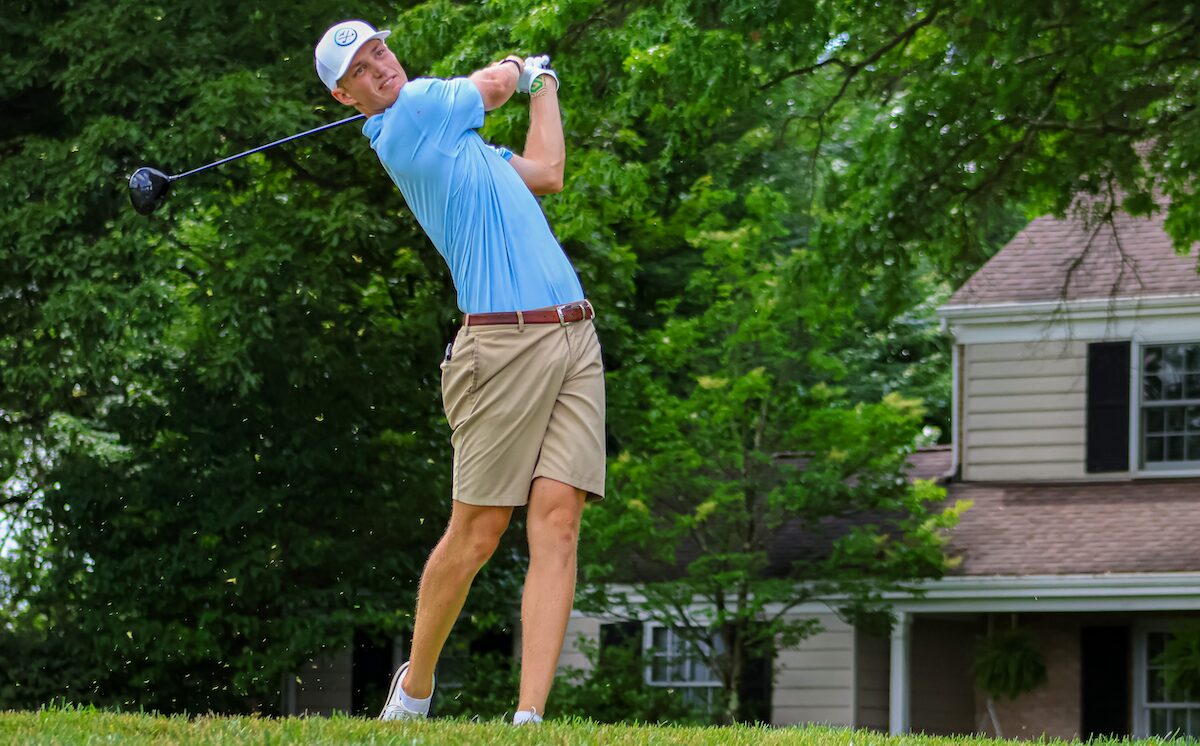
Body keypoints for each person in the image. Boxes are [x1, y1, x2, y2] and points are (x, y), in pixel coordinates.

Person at [314, 20, 606, 726]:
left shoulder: (460, 144)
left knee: (559, 522)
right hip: (500, 350)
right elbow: (494, 83)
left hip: (575, 336)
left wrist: (548, 87)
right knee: (477, 534)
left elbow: (548, 173)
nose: (379, 65)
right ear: (344, 95)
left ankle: (530, 719)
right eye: (360, 67)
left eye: (380, 49)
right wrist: (518, 65)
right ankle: (415, 689)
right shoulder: (413, 117)